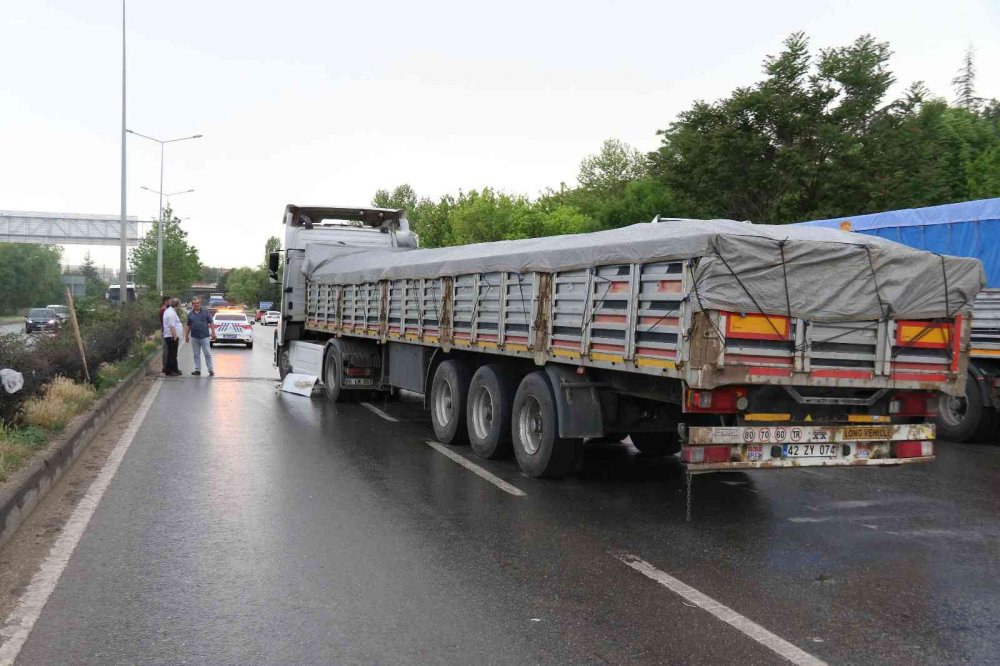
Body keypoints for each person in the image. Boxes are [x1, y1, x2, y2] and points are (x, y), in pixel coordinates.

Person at [184, 297, 216, 376]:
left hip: (204, 337)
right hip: (194, 337)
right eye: (194, 303)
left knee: (207, 354)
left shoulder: (206, 312)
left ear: (200, 303)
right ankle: (197, 369)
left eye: (197, 303)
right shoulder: (190, 314)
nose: (196, 305)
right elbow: (188, 325)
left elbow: (211, 323)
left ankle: (210, 369)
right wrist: (186, 336)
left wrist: (213, 333)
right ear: (192, 305)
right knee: (196, 354)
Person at [162, 298, 182, 376]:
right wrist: (175, 337)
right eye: (179, 304)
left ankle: (174, 369)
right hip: (171, 336)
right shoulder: (171, 313)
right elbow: (172, 326)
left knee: (173, 354)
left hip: (171, 335)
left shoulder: (171, 311)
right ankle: (171, 371)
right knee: (172, 354)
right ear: (177, 304)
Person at [158, 295, 171, 374]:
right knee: (166, 350)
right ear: (165, 301)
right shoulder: (163, 310)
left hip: (167, 332)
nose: (170, 302)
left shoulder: (166, 309)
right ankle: (165, 367)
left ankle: (167, 366)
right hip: (166, 332)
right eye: (169, 301)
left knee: (168, 350)